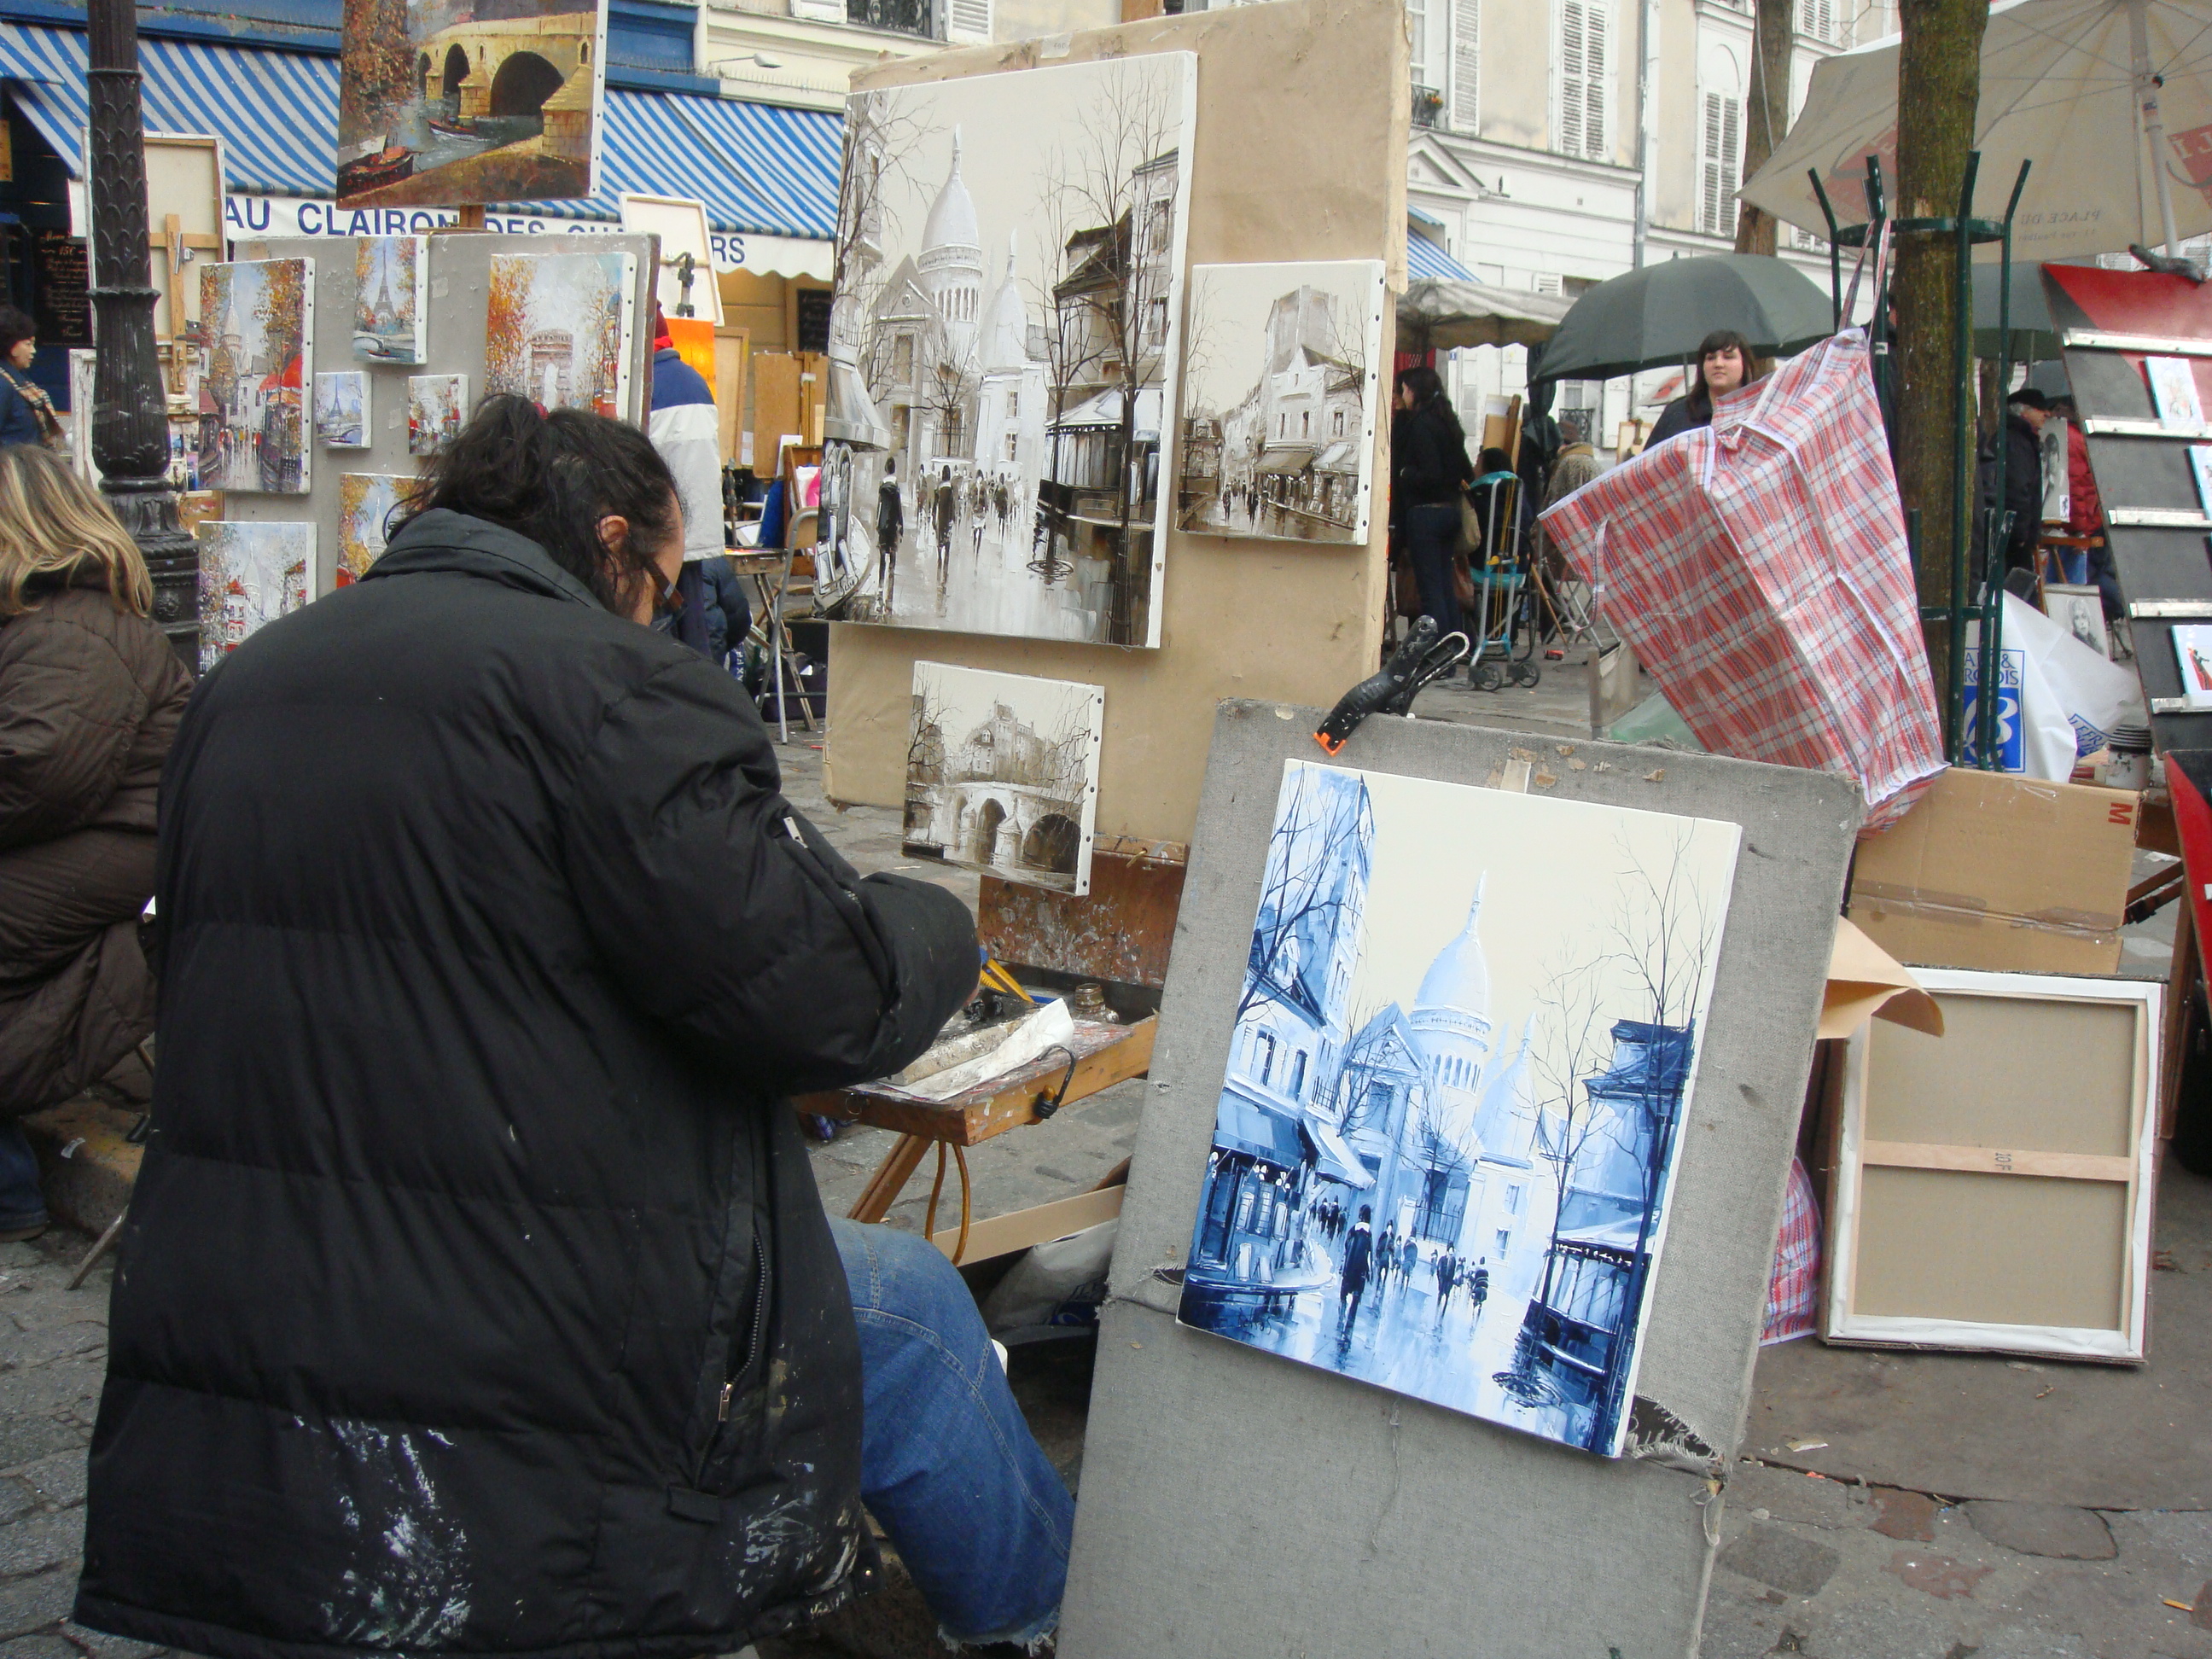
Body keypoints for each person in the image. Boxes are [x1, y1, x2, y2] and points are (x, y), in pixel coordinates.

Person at [76, 398, 1074, 1658]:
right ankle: (1056, 1622)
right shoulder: (609, 691)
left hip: (247, 1303)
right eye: (663, 585)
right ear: (611, 545)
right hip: (513, 1316)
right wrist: (932, 921)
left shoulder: (245, 684)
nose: (664, 615)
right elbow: (828, 998)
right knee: (912, 1310)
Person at [0, 447, 190, 1235]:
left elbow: (41, 772)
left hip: (113, 844)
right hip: (89, 840)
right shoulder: (50, 622)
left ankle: (9, 1187)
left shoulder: (76, 627)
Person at [644, 303, 728, 664]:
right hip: (695, 530)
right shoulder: (696, 381)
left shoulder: (644, 387)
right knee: (695, 631)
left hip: (656, 532)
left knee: (658, 634)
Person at [1391, 365, 1476, 646]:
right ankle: (1453, 648)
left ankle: (1437, 652)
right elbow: (1465, 469)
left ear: (1414, 391)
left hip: (1425, 514)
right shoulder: (1447, 422)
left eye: (1405, 389)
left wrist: (1406, 473)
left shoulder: (1421, 425)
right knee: (1444, 587)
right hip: (1449, 511)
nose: (1402, 394)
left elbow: (1429, 473)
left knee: (1431, 591)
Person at [1646, 329, 1770, 447]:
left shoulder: (1761, 413)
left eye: (1728, 357)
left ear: (1745, 364)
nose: (1718, 364)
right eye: (1711, 358)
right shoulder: (1678, 413)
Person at [1978, 386, 2049, 579]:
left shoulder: (2019, 439)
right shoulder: (2016, 442)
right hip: (2011, 536)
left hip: (2012, 532)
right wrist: (2020, 532)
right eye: (2039, 408)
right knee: (2015, 587)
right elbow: (2016, 489)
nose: (2046, 413)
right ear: (2023, 411)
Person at [0, 310, 61, 451]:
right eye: (28, 344)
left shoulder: (21, 382)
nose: (33, 350)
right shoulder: (4, 385)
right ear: (11, 347)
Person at [1338, 1204, 1375, 1334]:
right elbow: (1369, 1256)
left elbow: (1346, 1249)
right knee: (1356, 1297)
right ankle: (1350, 1323)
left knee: (1344, 1294)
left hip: (1349, 1267)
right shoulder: (1368, 1235)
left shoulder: (1352, 1230)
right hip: (1360, 1271)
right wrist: (1370, 1273)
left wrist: (1342, 1265)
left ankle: (1341, 1313)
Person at [876, 456, 903, 607]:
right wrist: (901, 526)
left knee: (882, 555)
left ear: (886, 468)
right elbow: (898, 508)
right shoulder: (896, 486)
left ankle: (880, 583)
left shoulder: (882, 485)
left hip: (883, 524)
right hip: (893, 524)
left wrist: (878, 523)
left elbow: (879, 506)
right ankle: (890, 588)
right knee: (892, 555)